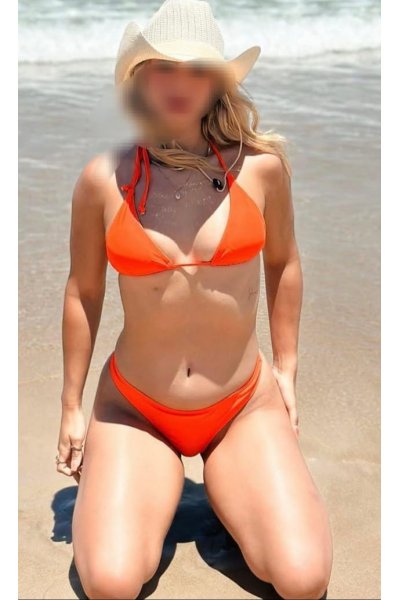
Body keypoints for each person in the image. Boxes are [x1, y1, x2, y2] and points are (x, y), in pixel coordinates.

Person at [56, 1, 333, 598]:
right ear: (140, 77)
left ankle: (236, 488)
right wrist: (71, 406)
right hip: (136, 409)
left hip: (241, 405)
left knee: (303, 579)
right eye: (164, 68)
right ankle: (148, 484)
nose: (180, 84)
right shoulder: (103, 178)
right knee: (110, 584)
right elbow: (83, 291)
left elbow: (284, 264)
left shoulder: (261, 169)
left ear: (217, 83)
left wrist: (286, 371)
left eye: (197, 70)